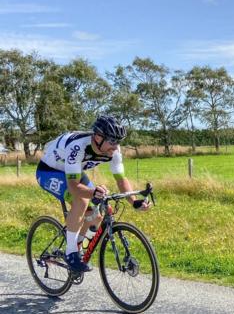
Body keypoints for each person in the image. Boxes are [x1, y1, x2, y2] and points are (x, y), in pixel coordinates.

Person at [36, 115, 150, 272]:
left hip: (73, 171)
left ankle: (76, 247)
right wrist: (93, 192)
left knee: (96, 215)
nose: (116, 147)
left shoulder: (113, 150)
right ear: (98, 137)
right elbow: (74, 187)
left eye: (118, 142)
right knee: (81, 201)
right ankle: (71, 253)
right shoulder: (78, 147)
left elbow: (121, 180)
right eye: (112, 141)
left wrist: (134, 201)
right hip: (49, 171)